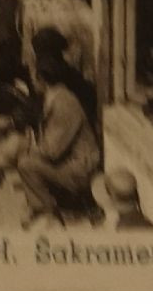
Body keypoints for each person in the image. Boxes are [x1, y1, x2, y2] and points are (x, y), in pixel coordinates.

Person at [16, 51, 102, 229]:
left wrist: (30, 147)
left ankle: (48, 212)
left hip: (81, 168)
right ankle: (42, 207)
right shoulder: (56, 96)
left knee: (26, 164)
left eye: (34, 76)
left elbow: (52, 151)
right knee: (26, 155)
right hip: (71, 160)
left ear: (43, 80)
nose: (32, 81)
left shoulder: (64, 103)